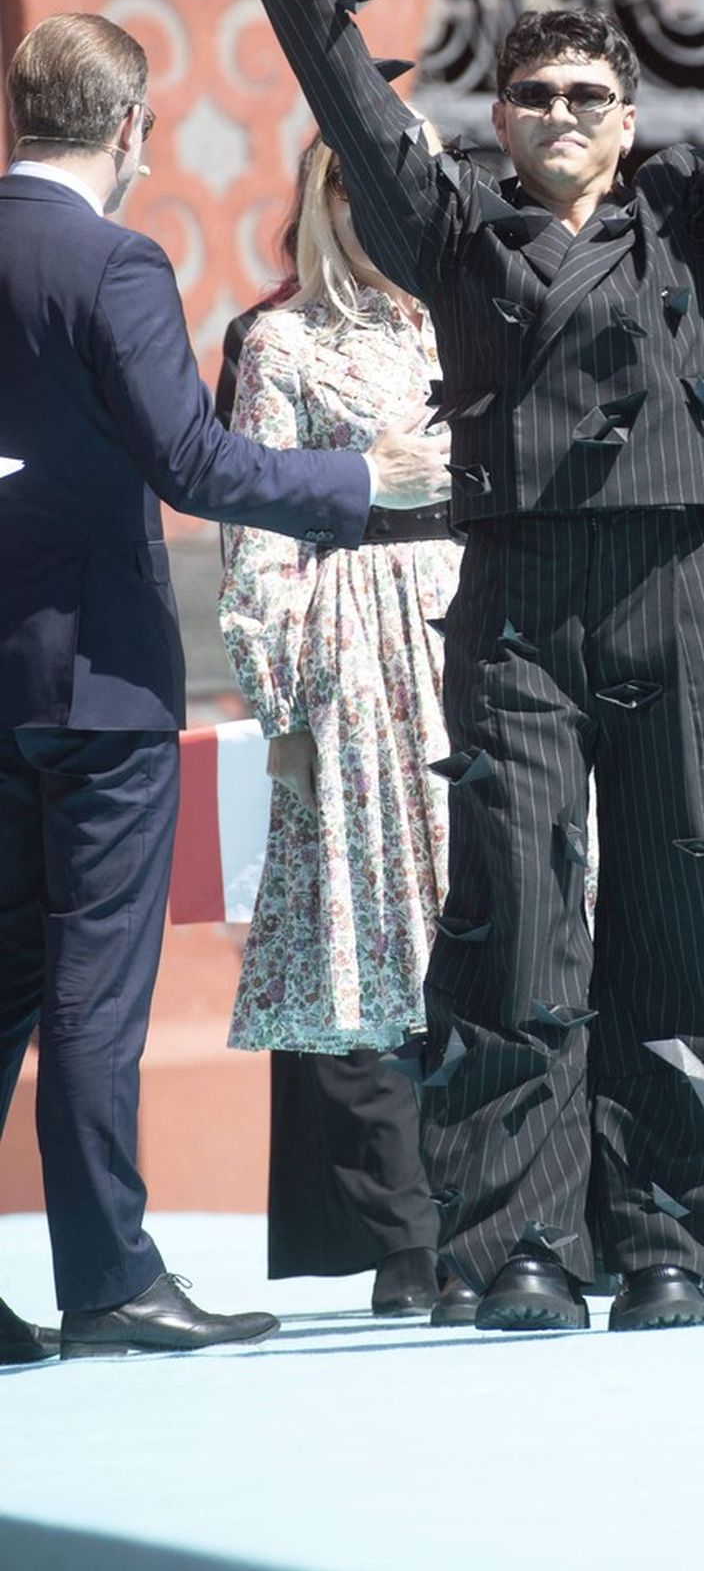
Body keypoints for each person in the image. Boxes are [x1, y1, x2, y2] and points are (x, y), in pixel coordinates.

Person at [219, 0, 704, 1333]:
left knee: (694, 906)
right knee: (514, 911)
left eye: (590, 95)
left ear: (629, 117)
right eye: (536, 95)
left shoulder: (689, 224)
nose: (563, 113)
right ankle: (520, 1236)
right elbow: (361, 119)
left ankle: (670, 1233)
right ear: (503, 117)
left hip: (671, 586)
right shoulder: (456, 233)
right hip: (517, 599)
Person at [0, 11, 448, 1362]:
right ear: (129, 125)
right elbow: (193, 462)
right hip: (102, 681)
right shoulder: (116, 261)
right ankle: (110, 1282)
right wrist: (364, 480)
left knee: (7, 980)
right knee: (93, 991)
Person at [219, 131, 463, 1320]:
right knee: (357, 935)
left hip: (472, 630)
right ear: (331, 194)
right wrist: (280, 702)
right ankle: (406, 1232)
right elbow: (254, 525)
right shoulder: (282, 341)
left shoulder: (463, 318)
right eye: (374, 179)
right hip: (352, 640)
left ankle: (499, 1205)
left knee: (489, 924)